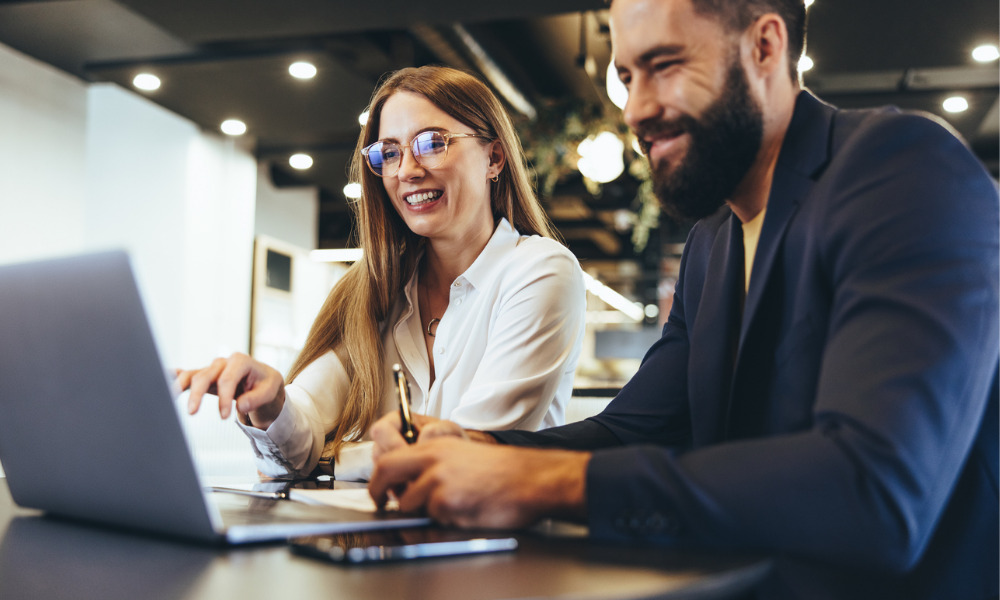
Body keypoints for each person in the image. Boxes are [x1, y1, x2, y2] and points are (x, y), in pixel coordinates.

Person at [367, 1, 999, 598]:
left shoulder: (903, 169)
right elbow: (634, 429)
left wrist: (544, 482)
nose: (637, 109)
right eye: (624, 78)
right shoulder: (713, 241)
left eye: (664, 66)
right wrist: (480, 448)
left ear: (765, 46)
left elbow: (874, 491)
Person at [177, 66, 586, 481]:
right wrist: (271, 403)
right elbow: (299, 433)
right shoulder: (376, 290)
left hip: (503, 542)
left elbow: (468, 453)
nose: (407, 169)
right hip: (385, 542)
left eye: (432, 143)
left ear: (493, 158)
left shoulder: (541, 271)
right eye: (389, 152)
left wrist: (330, 460)